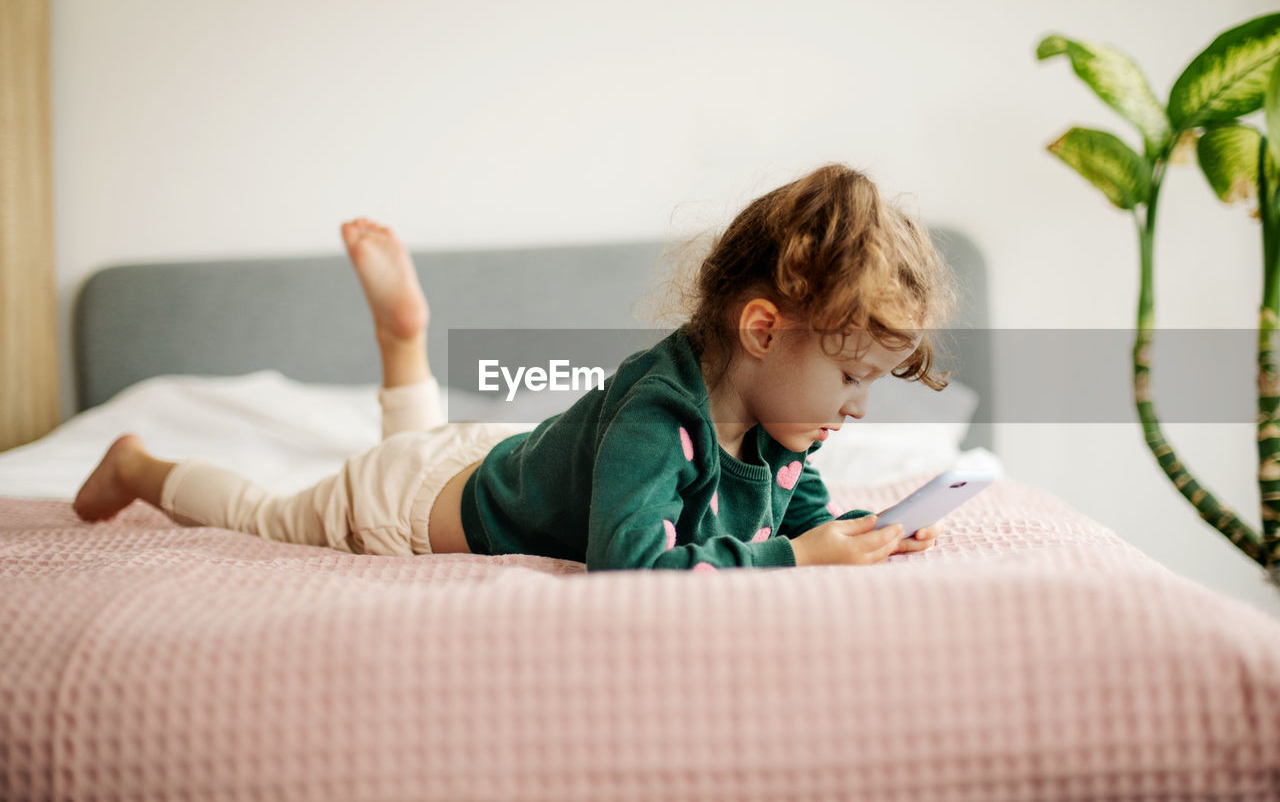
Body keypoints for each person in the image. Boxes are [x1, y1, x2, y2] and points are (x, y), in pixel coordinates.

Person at [74, 163, 958, 571]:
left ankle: (404, 340)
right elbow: (633, 568)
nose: (857, 410)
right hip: (402, 510)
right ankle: (139, 465)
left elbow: (794, 509)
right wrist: (796, 564)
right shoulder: (659, 418)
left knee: (413, 448)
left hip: (472, 459)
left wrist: (863, 530)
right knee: (266, 514)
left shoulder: (776, 423)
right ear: (763, 329)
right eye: (850, 378)